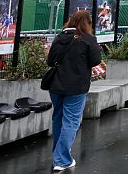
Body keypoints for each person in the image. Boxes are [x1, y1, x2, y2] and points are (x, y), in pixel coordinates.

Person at [46, 10, 102, 172]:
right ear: (88, 23)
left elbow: (50, 61)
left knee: (58, 119)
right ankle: (62, 159)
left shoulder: (60, 37)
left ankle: (58, 155)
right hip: (76, 86)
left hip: (56, 85)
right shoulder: (88, 39)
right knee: (71, 121)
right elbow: (96, 60)